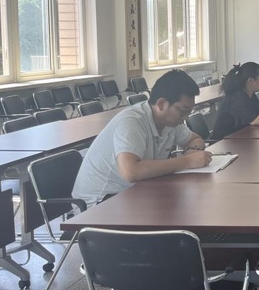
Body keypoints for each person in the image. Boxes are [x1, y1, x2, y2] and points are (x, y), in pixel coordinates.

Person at [73, 70, 211, 207]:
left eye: (189, 112)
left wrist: (192, 150)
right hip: (101, 201)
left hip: (135, 192)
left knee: (186, 205)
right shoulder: (132, 121)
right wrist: (187, 161)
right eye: (183, 111)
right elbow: (131, 172)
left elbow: (195, 139)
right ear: (161, 104)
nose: (186, 117)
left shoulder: (171, 122)